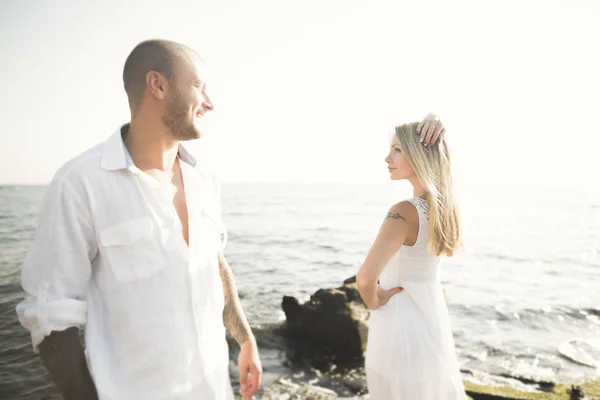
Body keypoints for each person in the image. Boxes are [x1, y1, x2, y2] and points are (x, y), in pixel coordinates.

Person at [15, 39, 262, 400]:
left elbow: (213, 263)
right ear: (158, 85)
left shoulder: (204, 178)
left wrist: (246, 339)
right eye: (199, 87)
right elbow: (51, 318)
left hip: (215, 389)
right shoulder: (81, 183)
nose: (210, 102)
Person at [356, 119, 466, 399]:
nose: (387, 158)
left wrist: (374, 300)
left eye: (396, 150)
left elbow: (366, 278)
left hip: (399, 324)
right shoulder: (446, 210)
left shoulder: (404, 211)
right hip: (432, 323)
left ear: (418, 155)